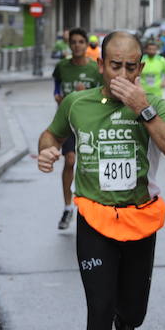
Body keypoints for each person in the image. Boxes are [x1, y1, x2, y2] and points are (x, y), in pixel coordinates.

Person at [36, 31, 165, 330]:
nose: (123, 73)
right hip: (95, 218)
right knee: (99, 310)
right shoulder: (77, 104)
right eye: (114, 65)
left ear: (140, 67)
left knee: (130, 314)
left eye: (131, 66)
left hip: (139, 220)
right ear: (100, 65)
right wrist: (48, 151)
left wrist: (144, 111)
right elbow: (51, 135)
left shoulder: (151, 103)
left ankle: (128, 315)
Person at [51, 28, 103, 230]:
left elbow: (102, 95)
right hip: (68, 122)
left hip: (90, 123)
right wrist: (57, 95)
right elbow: (56, 83)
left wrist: (85, 96)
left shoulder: (94, 69)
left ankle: (92, 205)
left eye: (81, 42)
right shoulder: (62, 66)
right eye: (74, 42)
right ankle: (67, 207)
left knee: (90, 165)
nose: (77, 45)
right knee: (70, 161)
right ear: (69, 44)